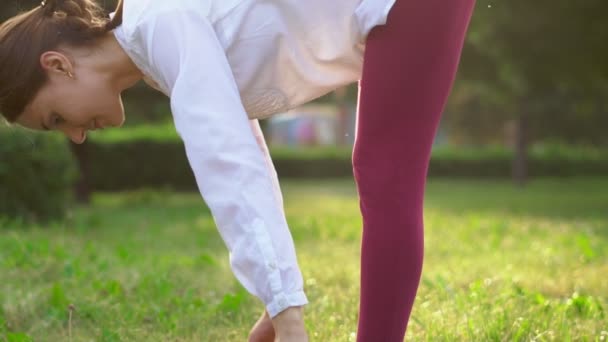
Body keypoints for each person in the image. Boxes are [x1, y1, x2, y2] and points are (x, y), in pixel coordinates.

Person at [0, 0, 476, 340]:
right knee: (383, 175)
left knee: (385, 176)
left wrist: (289, 313)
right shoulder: (155, 43)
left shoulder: (160, 24)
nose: (76, 135)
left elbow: (227, 161)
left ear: (58, 65)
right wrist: (278, 299)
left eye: (56, 119)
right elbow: (250, 162)